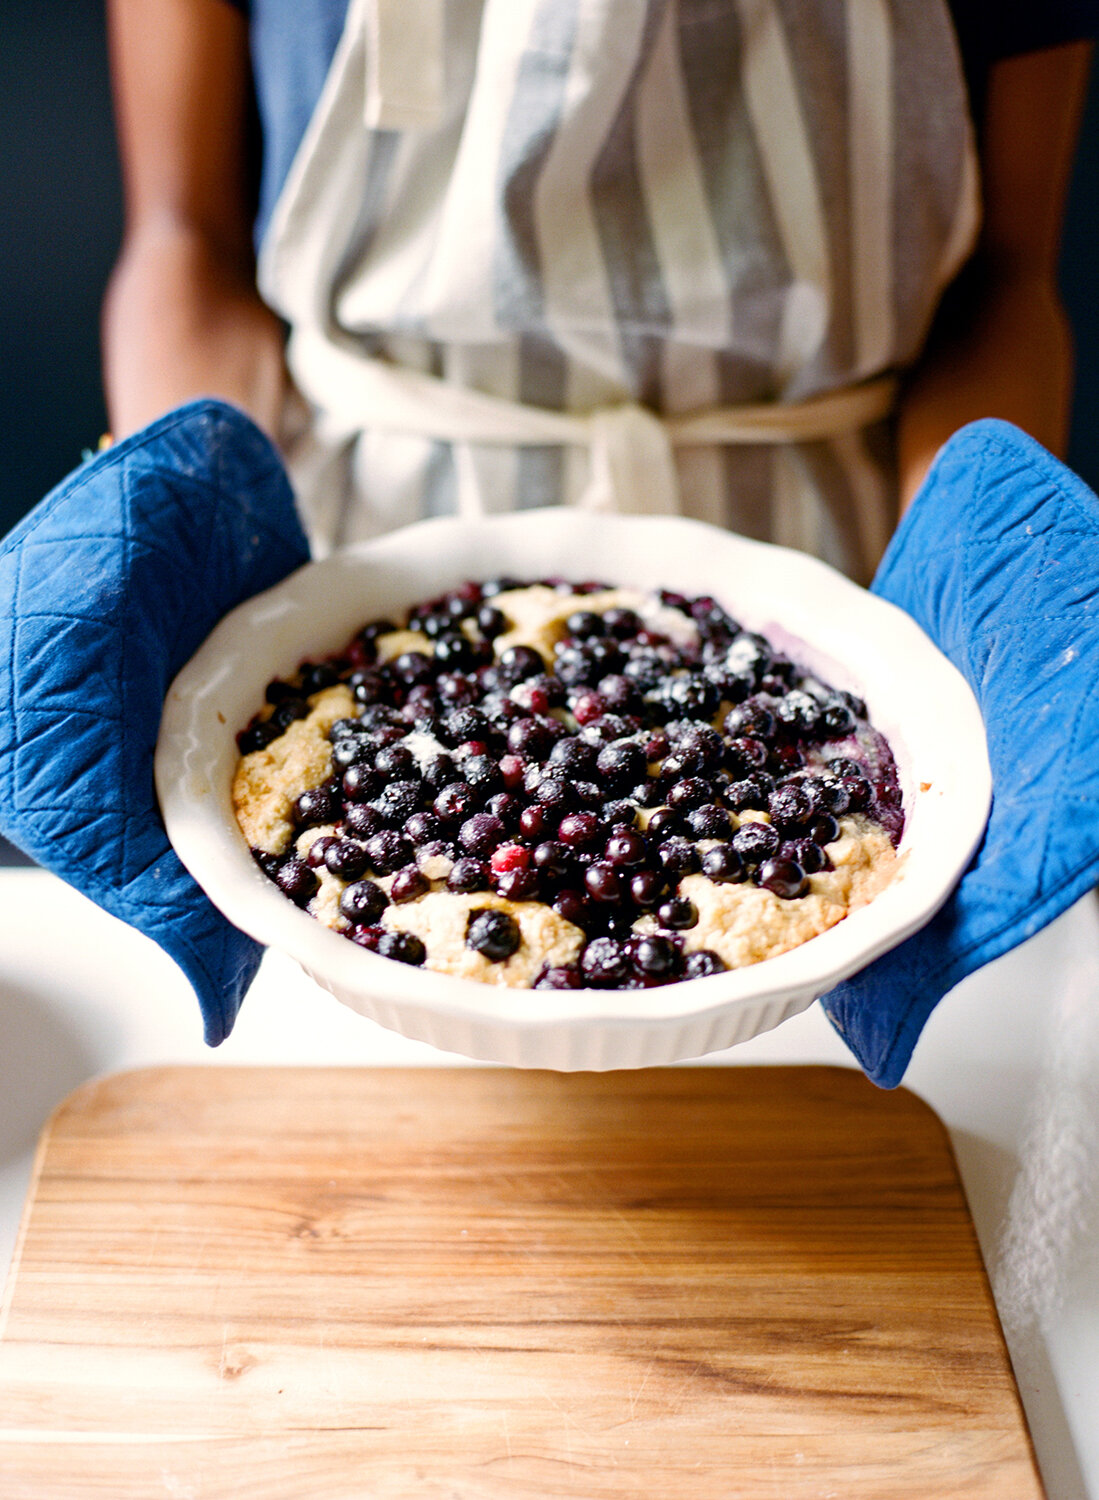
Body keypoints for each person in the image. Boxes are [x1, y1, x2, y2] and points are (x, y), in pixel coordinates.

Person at [102, 1, 1095, 581]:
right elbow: (184, 238)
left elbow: (1005, 284)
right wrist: (191, 550)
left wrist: (975, 591)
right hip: (359, 572)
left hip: (845, 580)